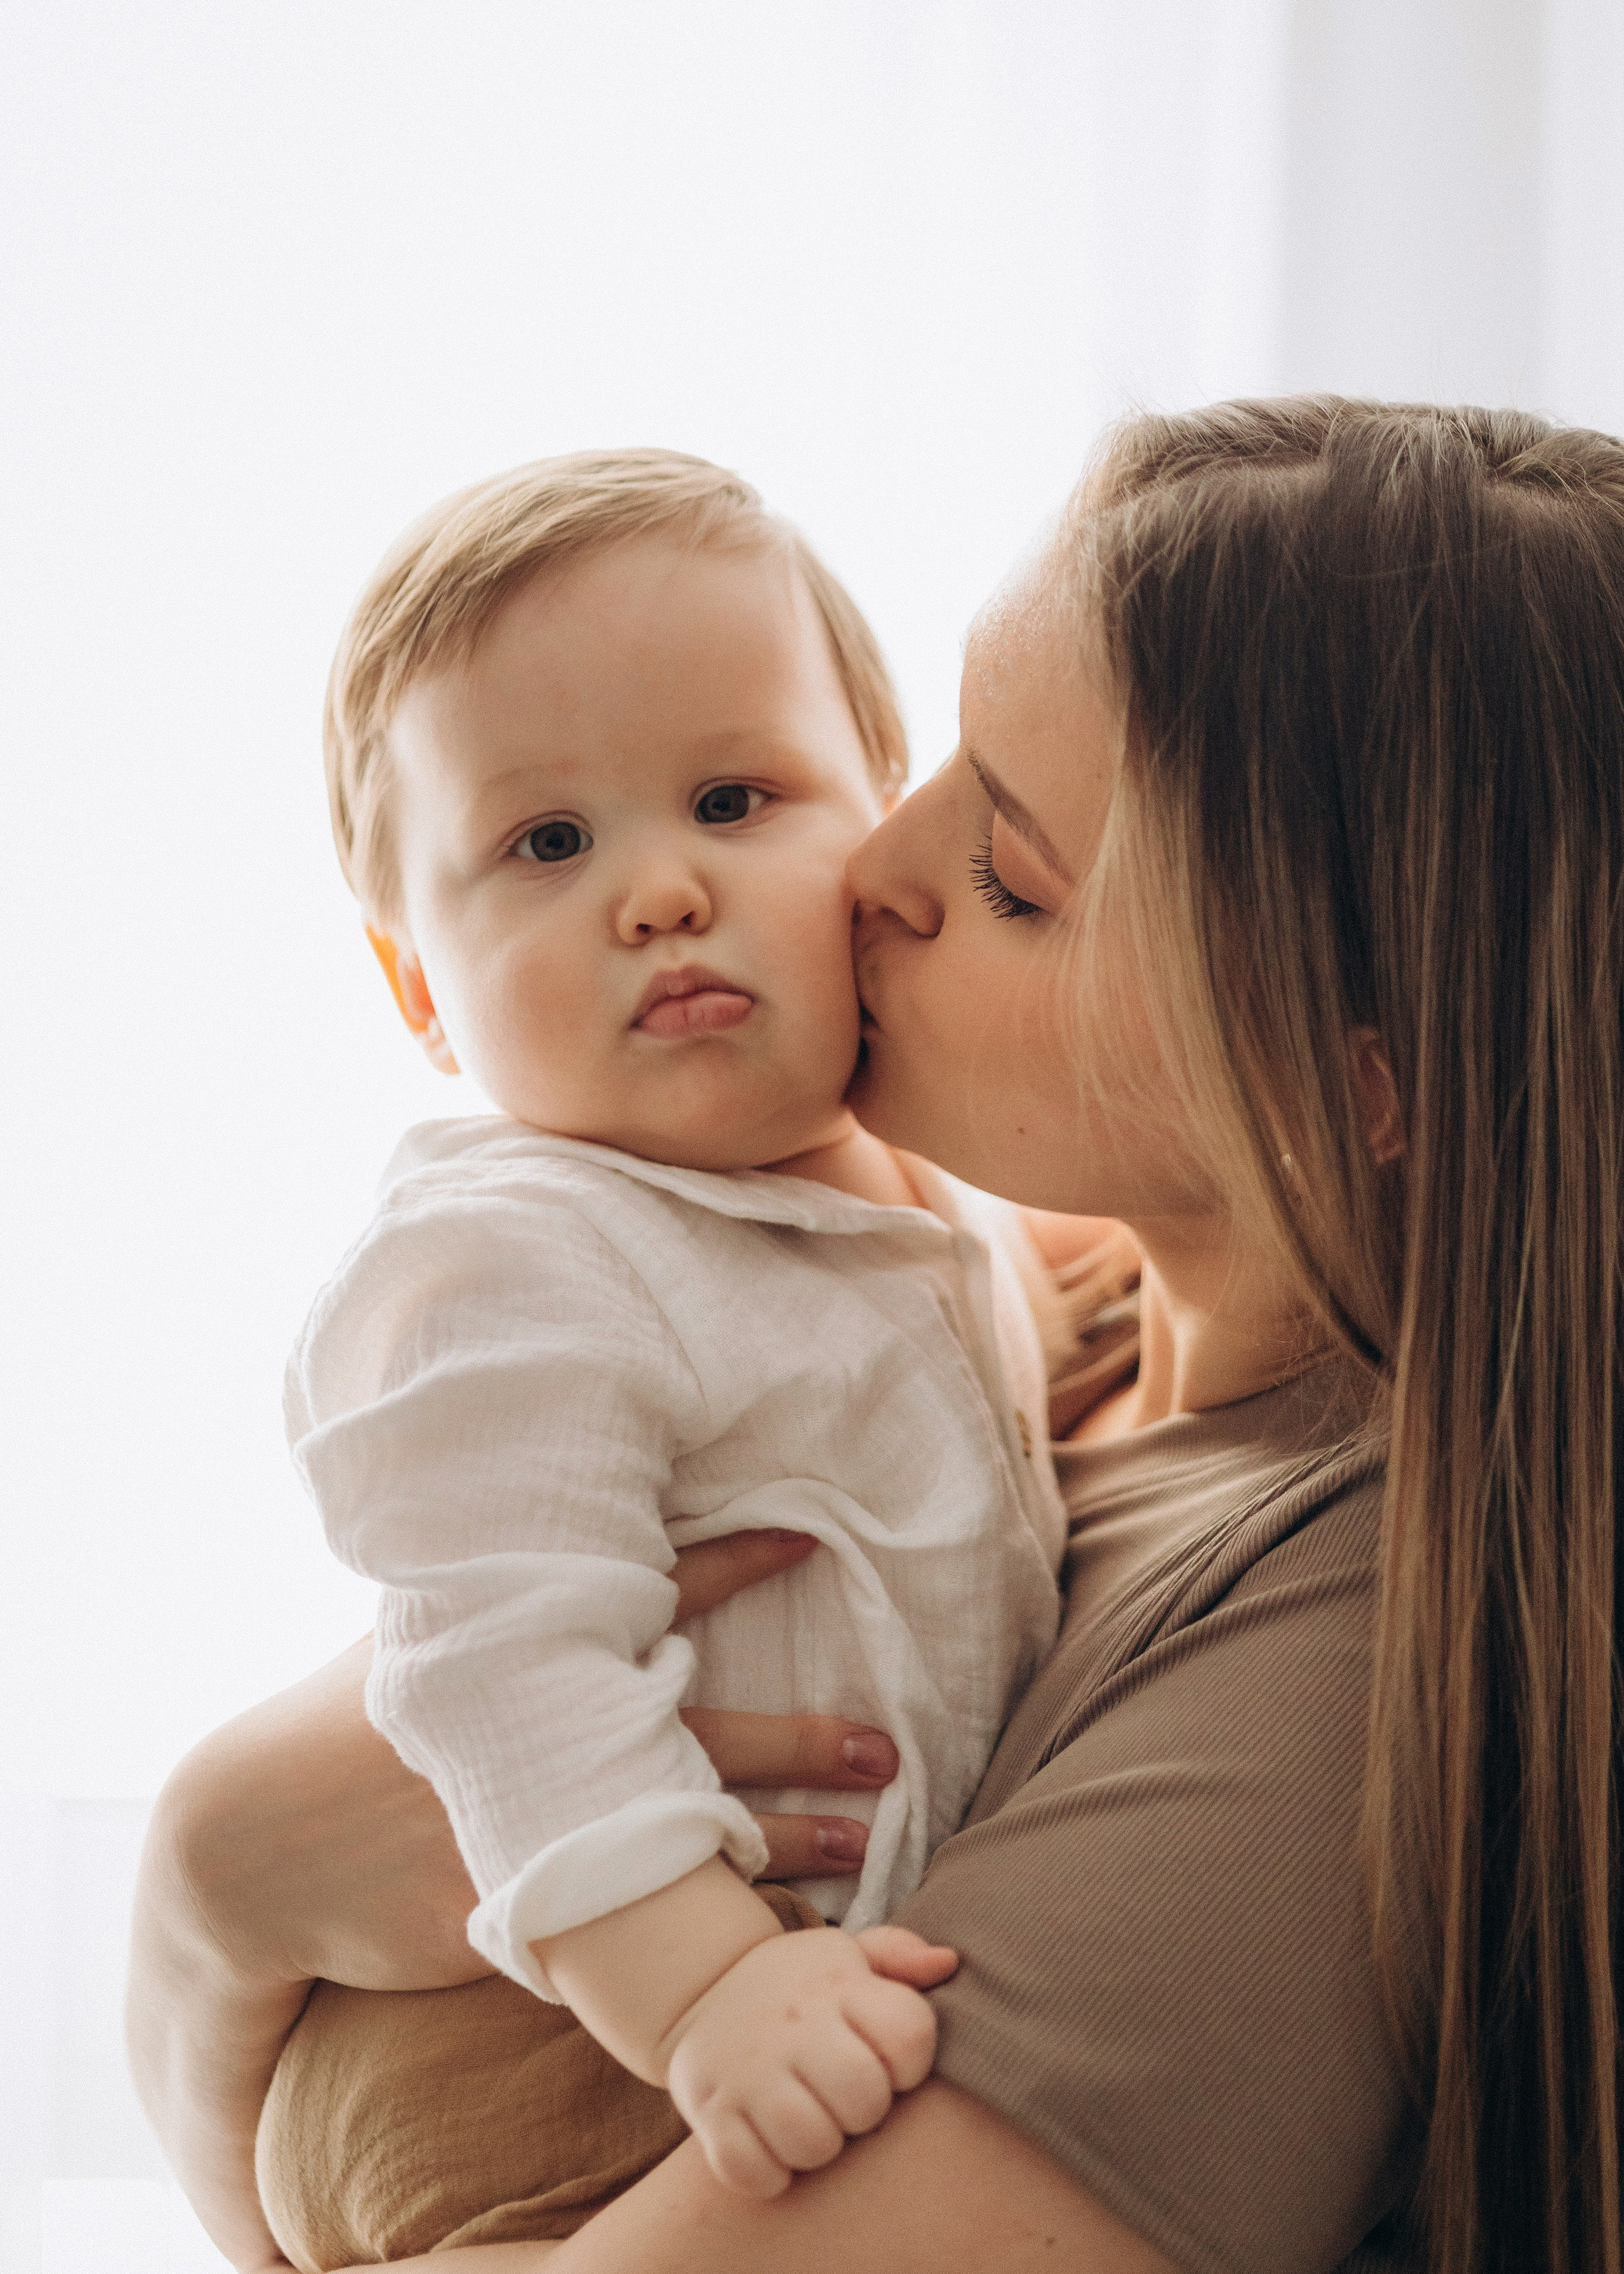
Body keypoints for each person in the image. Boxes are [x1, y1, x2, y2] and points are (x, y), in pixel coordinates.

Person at [128, 397, 1624, 2274]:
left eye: (1011, 873)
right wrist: (208, 1876)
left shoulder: (1345, 1663)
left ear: (1351, 1080)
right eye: (936, 763)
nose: (872, 869)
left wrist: (213, 1906)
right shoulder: (1016, 1306)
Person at [155, 447, 1130, 2272]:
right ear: (420, 992)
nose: (659, 890)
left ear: (885, 819)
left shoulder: (909, 1179)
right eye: (547, 843)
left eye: (733, 797)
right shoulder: (516, 1255)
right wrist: (702, 1999)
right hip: (538, 2059)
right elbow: (506, 1675)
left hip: (768, 2012)